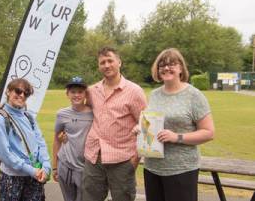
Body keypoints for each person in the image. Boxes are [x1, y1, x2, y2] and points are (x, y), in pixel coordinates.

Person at [140, 48, 214, 201]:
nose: (166, 68)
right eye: (162, 65)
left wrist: (177, 137)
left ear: (181, 68)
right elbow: (150, 122)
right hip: (152, 168)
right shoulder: (154, 94)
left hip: (181, 170)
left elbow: (208, 132)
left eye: (172, 64)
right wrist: (141, 129)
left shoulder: (194, 95)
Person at [82, 46, 147, 201]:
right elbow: (85, 114)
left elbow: (146, 125)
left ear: (119, 62)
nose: (106, 65)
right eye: (102, 62)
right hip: (94, 157)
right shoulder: (92, 91)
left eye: (110, 60)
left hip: (122, 159)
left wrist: (135, 160)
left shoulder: (134, 91)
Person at [0, 78, 51, 201]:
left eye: (26, 93)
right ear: (8, 92)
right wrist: (31, 170)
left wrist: (46, 166)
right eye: (18, 91)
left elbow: (41, 143)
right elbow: (5, 155)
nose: (22, 95)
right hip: (12, 177)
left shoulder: (29, 117)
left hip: (35, 175)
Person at [52, 76, 93, 201]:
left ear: (85, 93)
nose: (76, 95)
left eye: (80, 92)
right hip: (65, 165)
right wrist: (55, 167)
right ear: (67, 94)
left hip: (85, 168)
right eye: (73, 92)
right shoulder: (62, 114)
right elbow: (57, 139)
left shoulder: (94, 113)